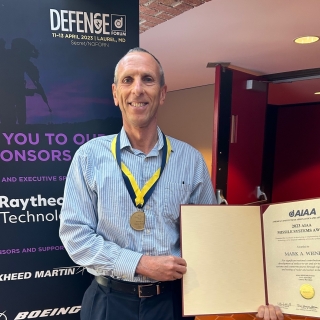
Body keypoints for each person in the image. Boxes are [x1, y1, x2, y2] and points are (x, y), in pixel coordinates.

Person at [59, 47, 284, 320]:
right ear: (115, 93)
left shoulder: (190, 160)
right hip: (109, 303)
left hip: (172, 304)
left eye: (148, 79)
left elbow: (211, 240)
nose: (137, 89)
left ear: (163, 93)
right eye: (128, 80)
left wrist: (253, 297)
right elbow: (76, 238)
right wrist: (140, 264)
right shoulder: (88, 157)